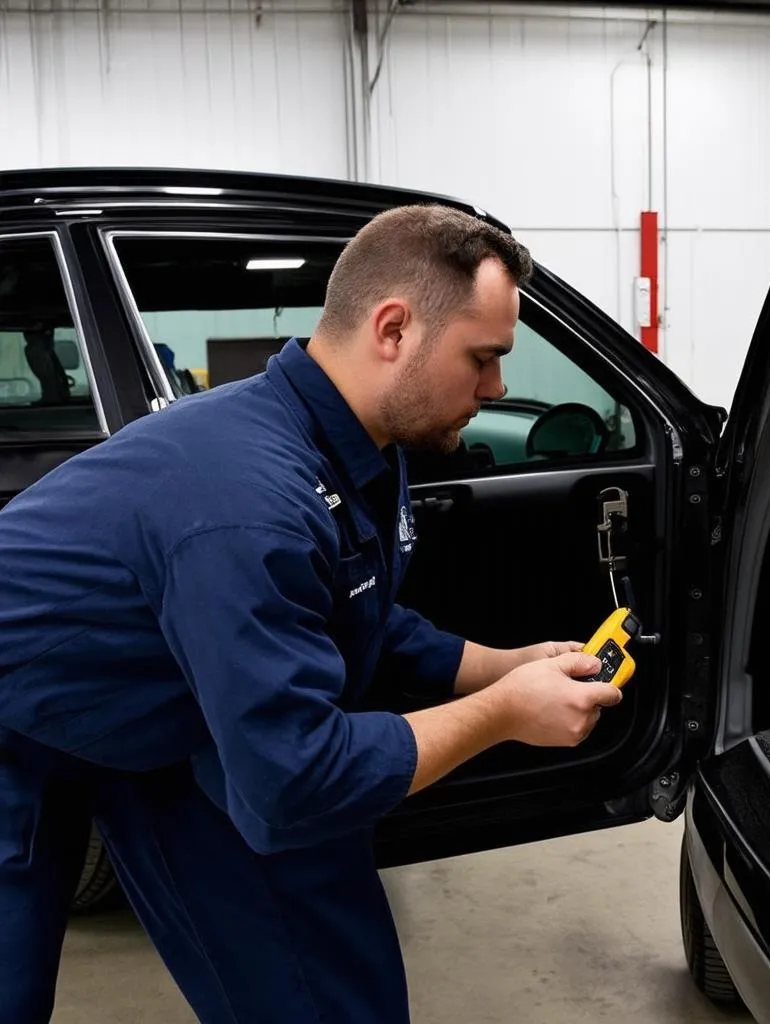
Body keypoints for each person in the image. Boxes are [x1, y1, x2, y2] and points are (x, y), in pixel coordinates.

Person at [0, 204, 623, 1023]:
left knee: (322, 974)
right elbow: (295, 776)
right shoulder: (247, 500)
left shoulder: (363, 447)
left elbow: (356, 616)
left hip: (164, 703)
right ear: (394, 329)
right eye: (484, 357)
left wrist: (501, 664)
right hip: (21, 713)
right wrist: (503, 713)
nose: (497, 389)